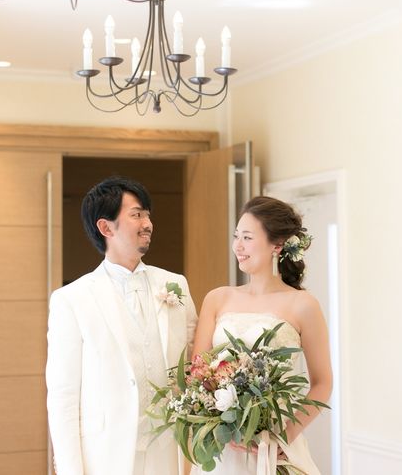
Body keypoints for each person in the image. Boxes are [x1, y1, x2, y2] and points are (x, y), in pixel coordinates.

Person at [46, 176, 197, 475]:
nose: (148, 224)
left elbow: (195, 363)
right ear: (106, 227)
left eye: (148, 215)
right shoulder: (72, 299)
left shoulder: (175, 284)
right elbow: (63, 396)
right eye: (137, 214)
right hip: (106, 456)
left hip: (169, 452)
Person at [192, 196, 333, 474]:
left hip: (274, 443)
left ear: (276, 245)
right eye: (236, 236)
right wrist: (218, 422)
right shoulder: (217, 298)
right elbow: (198, 373)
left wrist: (285, 436)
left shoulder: (304, 305)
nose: (238, 246)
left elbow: (322, 383)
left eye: (247, 237)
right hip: (224, 449)